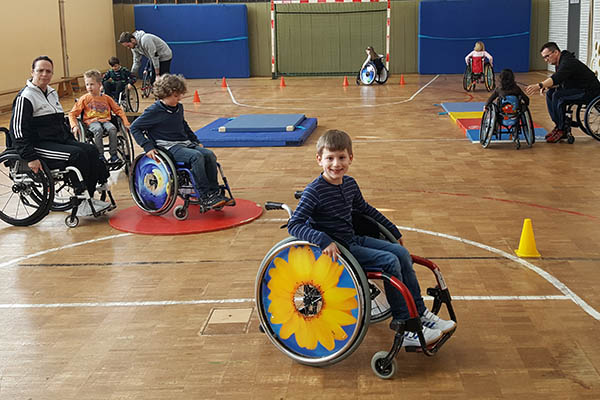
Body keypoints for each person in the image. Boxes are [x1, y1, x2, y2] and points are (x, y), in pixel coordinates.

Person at [287, 129, 456, 347]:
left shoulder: (349, 184)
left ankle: (420, 313)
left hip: (353, 239)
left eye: (341, 158)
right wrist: (322, 239)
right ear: (319, 159)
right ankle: (404, 324)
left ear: (351, 158)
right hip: (339, 250)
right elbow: (294, 224)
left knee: (402, 253)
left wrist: (393, 230)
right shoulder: (315, 191)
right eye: (330, 158)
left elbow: (366, 210)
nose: (336, 164)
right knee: (390, 261)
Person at [9, 56, 112, 217]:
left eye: (48, 71)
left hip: (58, 140)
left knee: (91, 150)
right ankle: (80, 200)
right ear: (32, 72)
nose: (44, 74)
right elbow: (17, 130)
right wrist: (30, 157)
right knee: (76, 155)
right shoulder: (25, 97)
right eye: (40, 70)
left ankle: (90, 195)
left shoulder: (51, 93)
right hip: (39, 145)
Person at [129, 74, 228, 208]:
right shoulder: (154, 110)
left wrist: (195, 140)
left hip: (184, 143)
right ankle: (205, 195)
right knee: (196, 157)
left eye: (180, 95)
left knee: (209, 155)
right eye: (175, 96)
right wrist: (148, 147)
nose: (179, 98)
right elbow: (135, 127)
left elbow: (184, 125)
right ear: (164, 94)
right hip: (168, 147)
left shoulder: (178, 107)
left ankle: (214, 192)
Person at [525, 42, 600, 143]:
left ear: (556, 52)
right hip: (578, 88)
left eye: (547, 56)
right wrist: (548, 86)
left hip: (589, 91)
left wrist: (540, 85)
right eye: (544, 58)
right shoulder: (560, 62)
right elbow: (561, 81)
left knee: (559, 96)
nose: (546, 60)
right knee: (550, 93)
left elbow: (556, 78)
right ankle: (558, 125)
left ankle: (562, 129)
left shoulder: (568, 62)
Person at [69, 69, 131, 164]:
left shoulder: (106, 98)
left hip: (105, 120)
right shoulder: (84, 99)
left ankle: (113, 155)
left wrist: (126, 122)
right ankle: (100, 155)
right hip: (91, 122)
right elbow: (72, 113)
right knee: (98, 129)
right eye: (87, 84)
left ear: (99, 84)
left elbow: (118, 110)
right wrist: (74, 126)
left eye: (92, 84)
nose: (89, 87)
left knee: (112, 129)